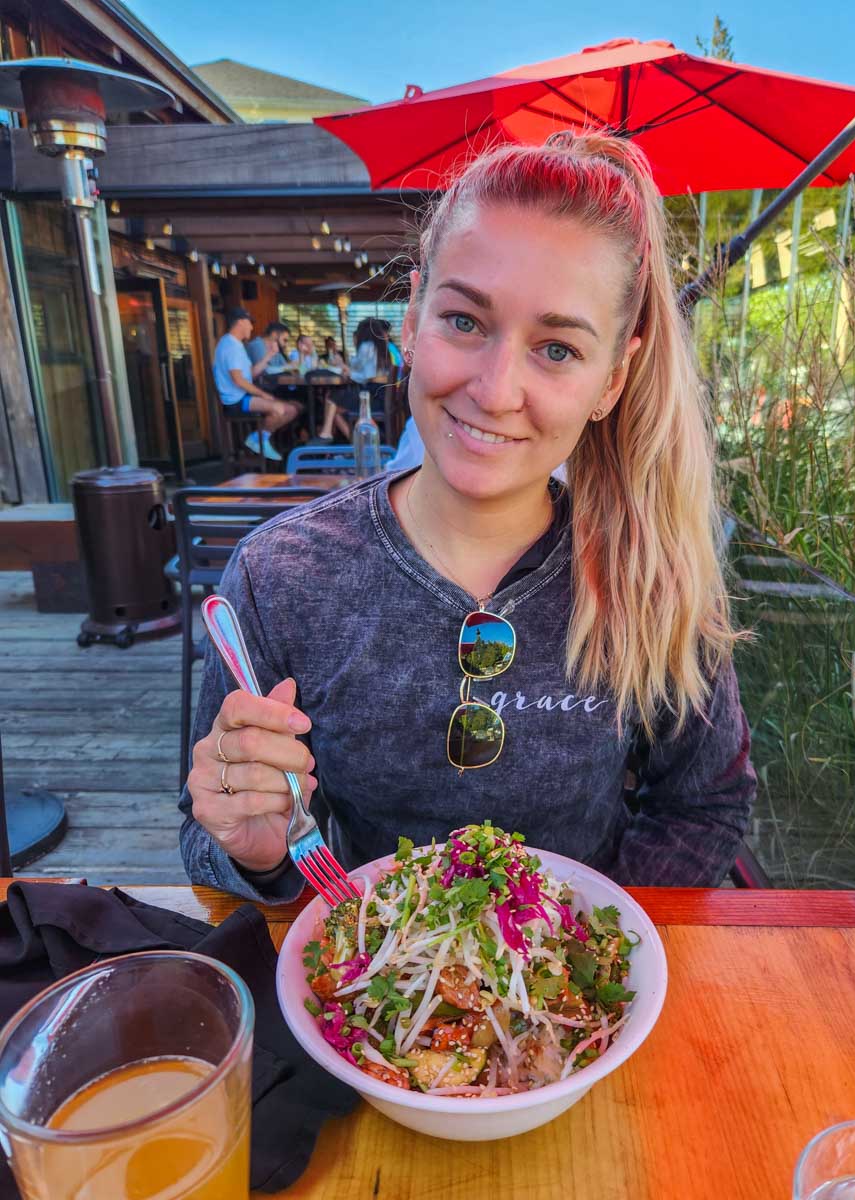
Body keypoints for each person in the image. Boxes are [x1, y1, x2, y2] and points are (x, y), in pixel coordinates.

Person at [181, 131, 756, 904]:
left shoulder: (650, 571)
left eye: (556, 350)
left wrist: (587, 948)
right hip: (366, 984)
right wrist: (257, 851)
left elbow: (706, 802)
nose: (494, 389)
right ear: (414, 316)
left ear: (613, 379)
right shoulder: (281, 576)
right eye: (464, 321)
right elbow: (203, 836)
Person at [211, 307, 301, 462]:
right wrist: (262, 394)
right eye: (249, 323)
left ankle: (260, 438)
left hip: (244, 396)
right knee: (279, 409)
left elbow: (250, 373)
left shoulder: (236, 344)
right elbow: (238, 380)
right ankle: (257, 440)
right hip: (236, 401)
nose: (252, 328)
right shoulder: (230, 346)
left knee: (291, 410)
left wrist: (269, 355)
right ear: (240, 322)